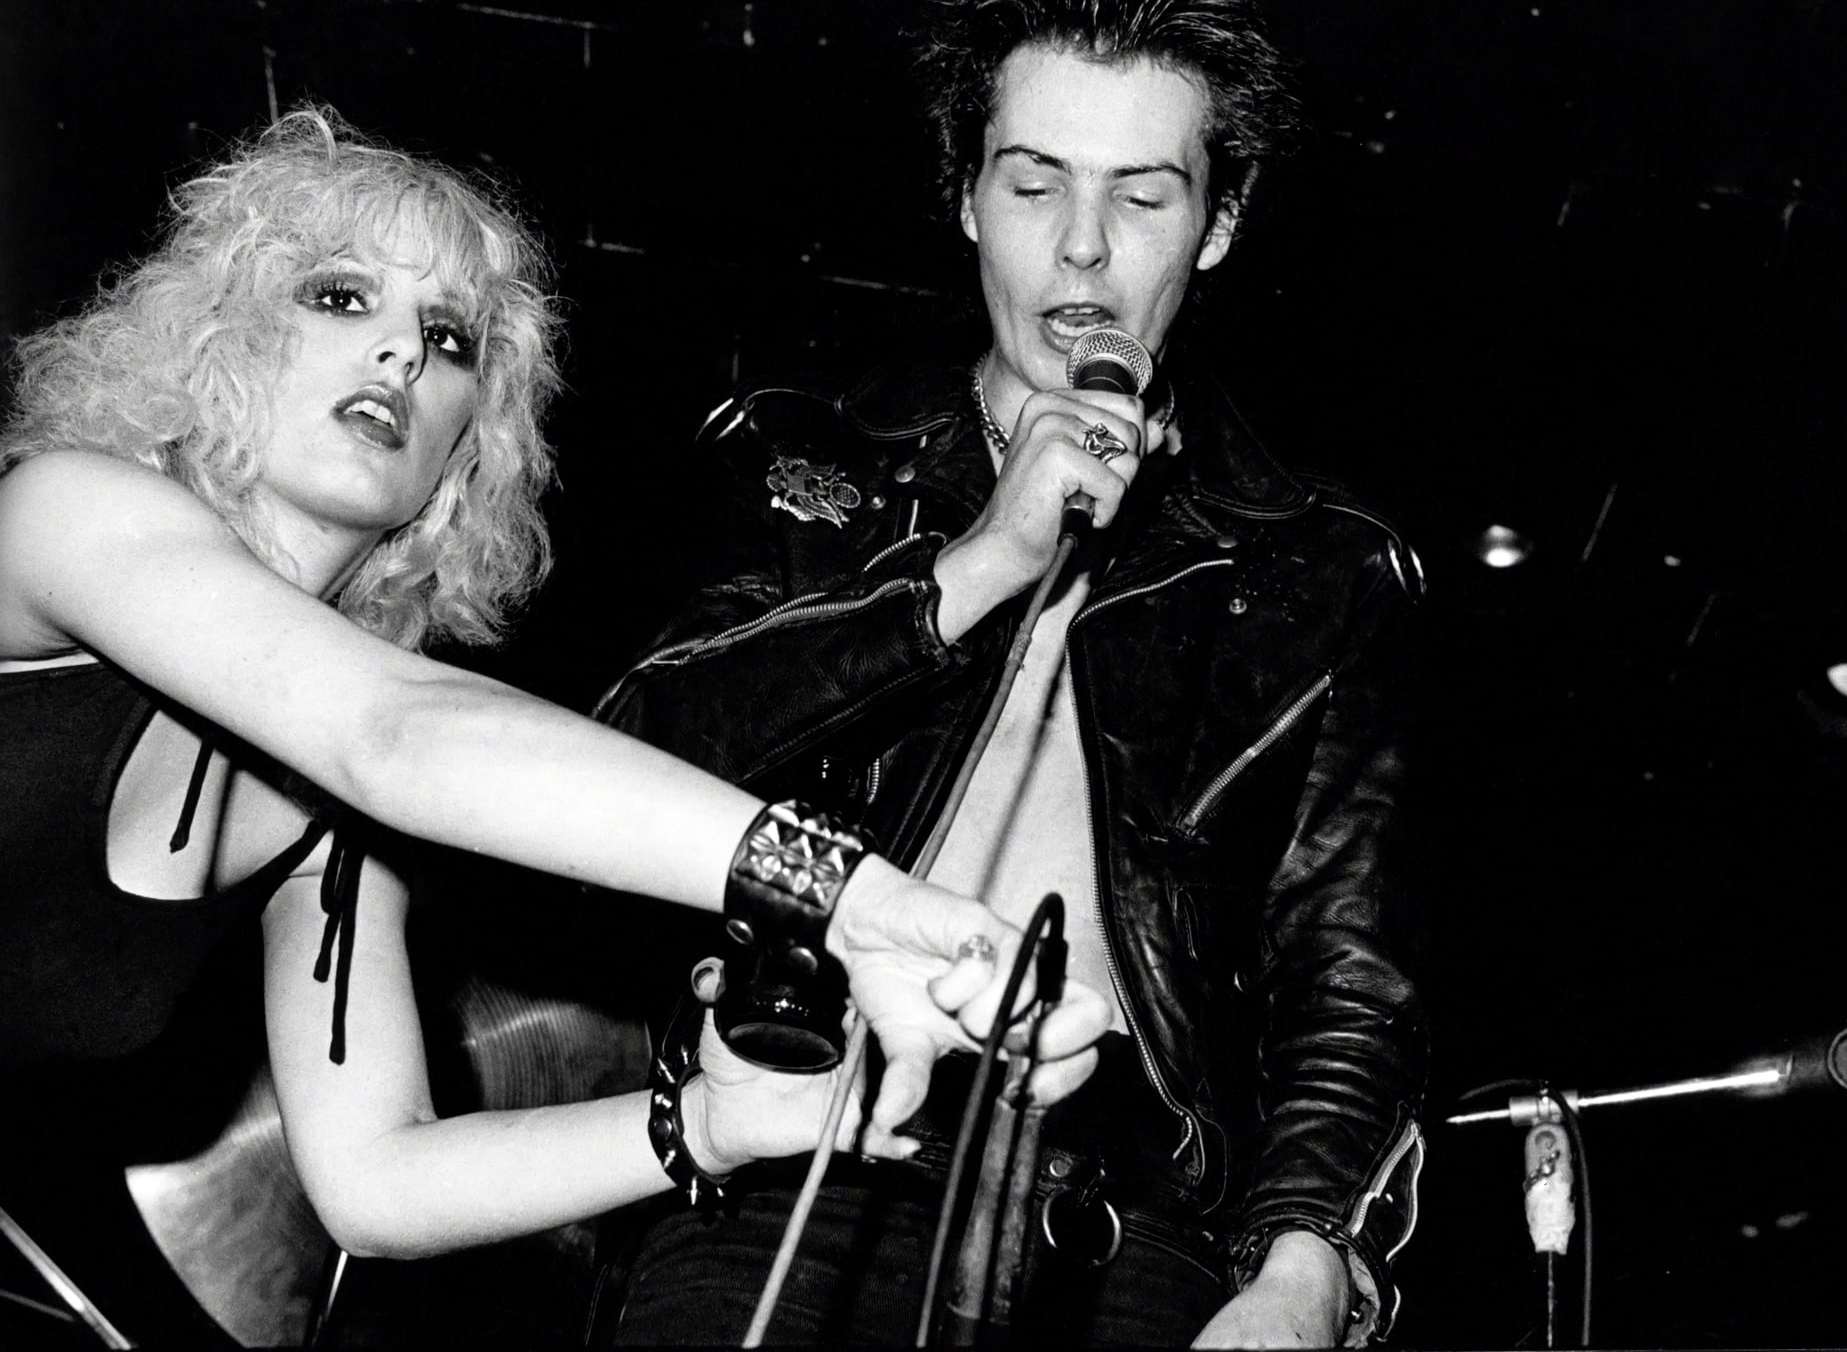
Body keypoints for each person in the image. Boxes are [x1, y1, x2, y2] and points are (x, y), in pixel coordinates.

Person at [0, 108, 1106, 1344]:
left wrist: (713, 1123)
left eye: (447, 338)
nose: (400, 360)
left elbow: (376, 1183)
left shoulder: (329, 819)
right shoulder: (65, 517)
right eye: (337, 296)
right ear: (219, 333)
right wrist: (855, 897)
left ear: (470, 452)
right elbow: (396, 732)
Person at [595, 0, 1427, 1346]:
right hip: (797, 1163)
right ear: (967, 196)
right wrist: (972, 564)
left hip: (1120, 1228)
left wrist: (1300, 1267)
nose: (1084, 249)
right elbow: (624, 766)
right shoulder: (807, 463)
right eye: (1036, 184)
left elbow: (1349, 964)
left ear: (1221, 223)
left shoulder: (1320, 569)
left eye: (1146, 198)